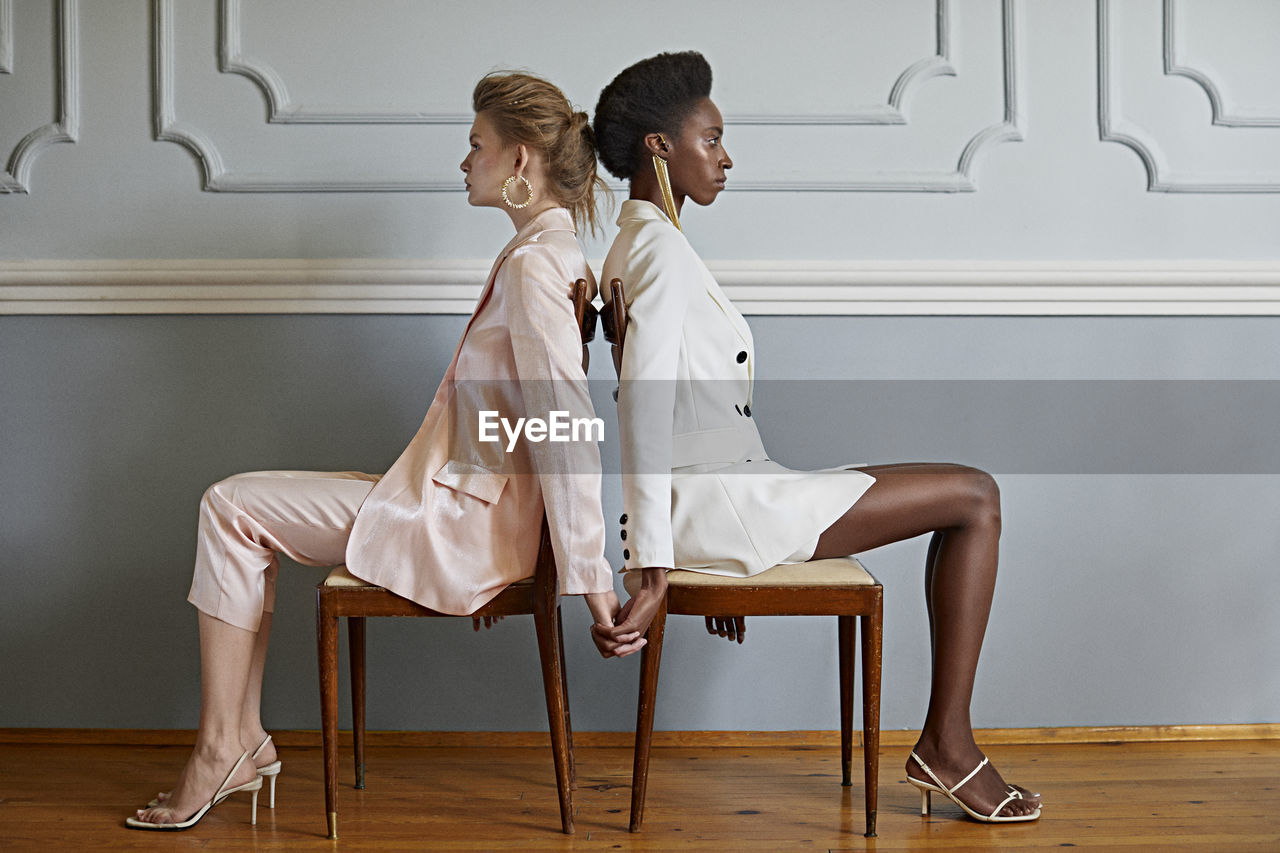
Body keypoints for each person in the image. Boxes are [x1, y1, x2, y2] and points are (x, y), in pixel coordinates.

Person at [127, 71, 640, 831]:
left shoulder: (536, 267)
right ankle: (231, 741)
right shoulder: (547, 253)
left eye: (476, 146)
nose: (464, 162)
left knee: (229, 505)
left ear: (520, 161)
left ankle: (223, 747)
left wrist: (589, 580)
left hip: (460, 522)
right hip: (463, 505)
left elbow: (562, 426)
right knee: (242, 508)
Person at [590, 51, 1041, 824]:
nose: (726, 157)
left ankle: (948, 740)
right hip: (721, 506)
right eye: (712, 138)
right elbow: (642, 410)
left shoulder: (639, 244)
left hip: (723, 500)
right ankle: (949, 745)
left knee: (963, 493)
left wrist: (689, 548)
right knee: (977, 496)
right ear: (660, 147)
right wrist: (655, 563)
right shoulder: (660, 251)